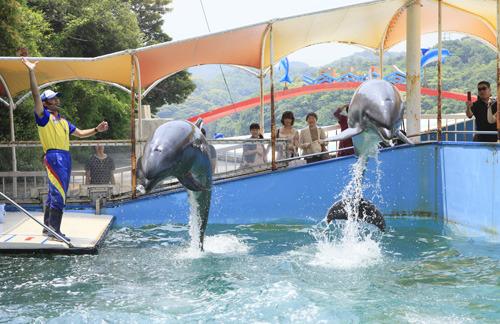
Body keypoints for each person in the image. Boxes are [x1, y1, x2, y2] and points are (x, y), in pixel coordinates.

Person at [22, 57, 109, 241]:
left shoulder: (62, 121)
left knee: (56, 192)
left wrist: (96, 129)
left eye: (55, 97)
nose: (56, 99)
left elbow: (79, 133)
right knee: (59, 193)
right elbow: (35, 95)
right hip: (54, 156)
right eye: (52, 98)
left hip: (64, 157)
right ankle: (55, 232)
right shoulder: (43, 116)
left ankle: (48, 229)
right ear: (46, 103)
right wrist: (31, 71)